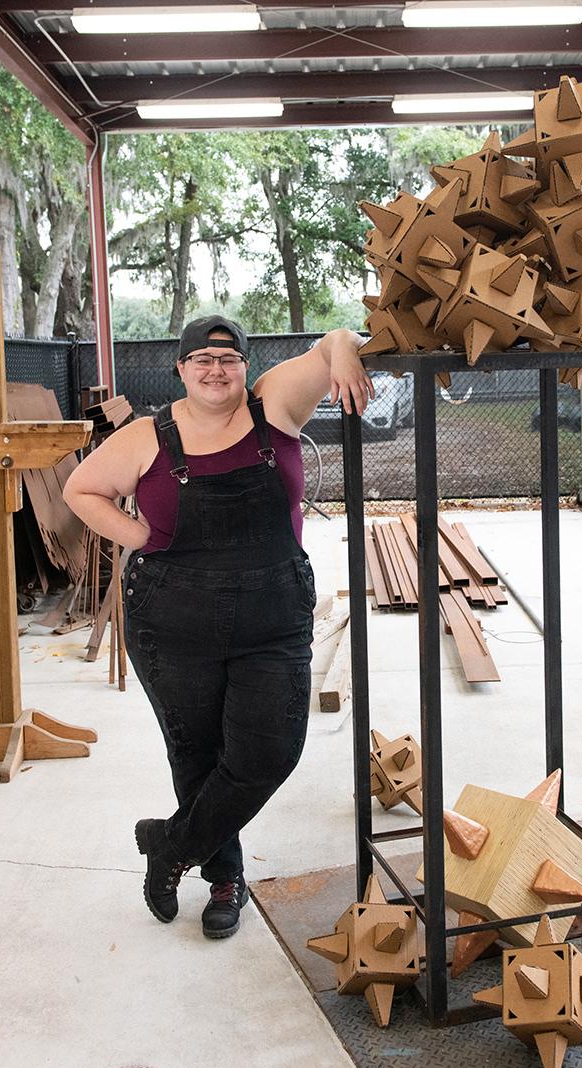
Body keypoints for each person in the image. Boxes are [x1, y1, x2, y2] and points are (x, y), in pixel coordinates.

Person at [64, 316, 372, 938]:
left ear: (246, 368)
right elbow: (81, 489)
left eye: (228, 358)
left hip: (272, 616)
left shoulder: (275, 408)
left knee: (268, 753)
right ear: (180, 369)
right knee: (197, 753)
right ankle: (226, 880)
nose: (215, 369)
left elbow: (334, 343)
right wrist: (144, 536)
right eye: (200, 359)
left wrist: (341, 347)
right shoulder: (149, 435)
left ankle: (171, 846)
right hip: (173, 619)